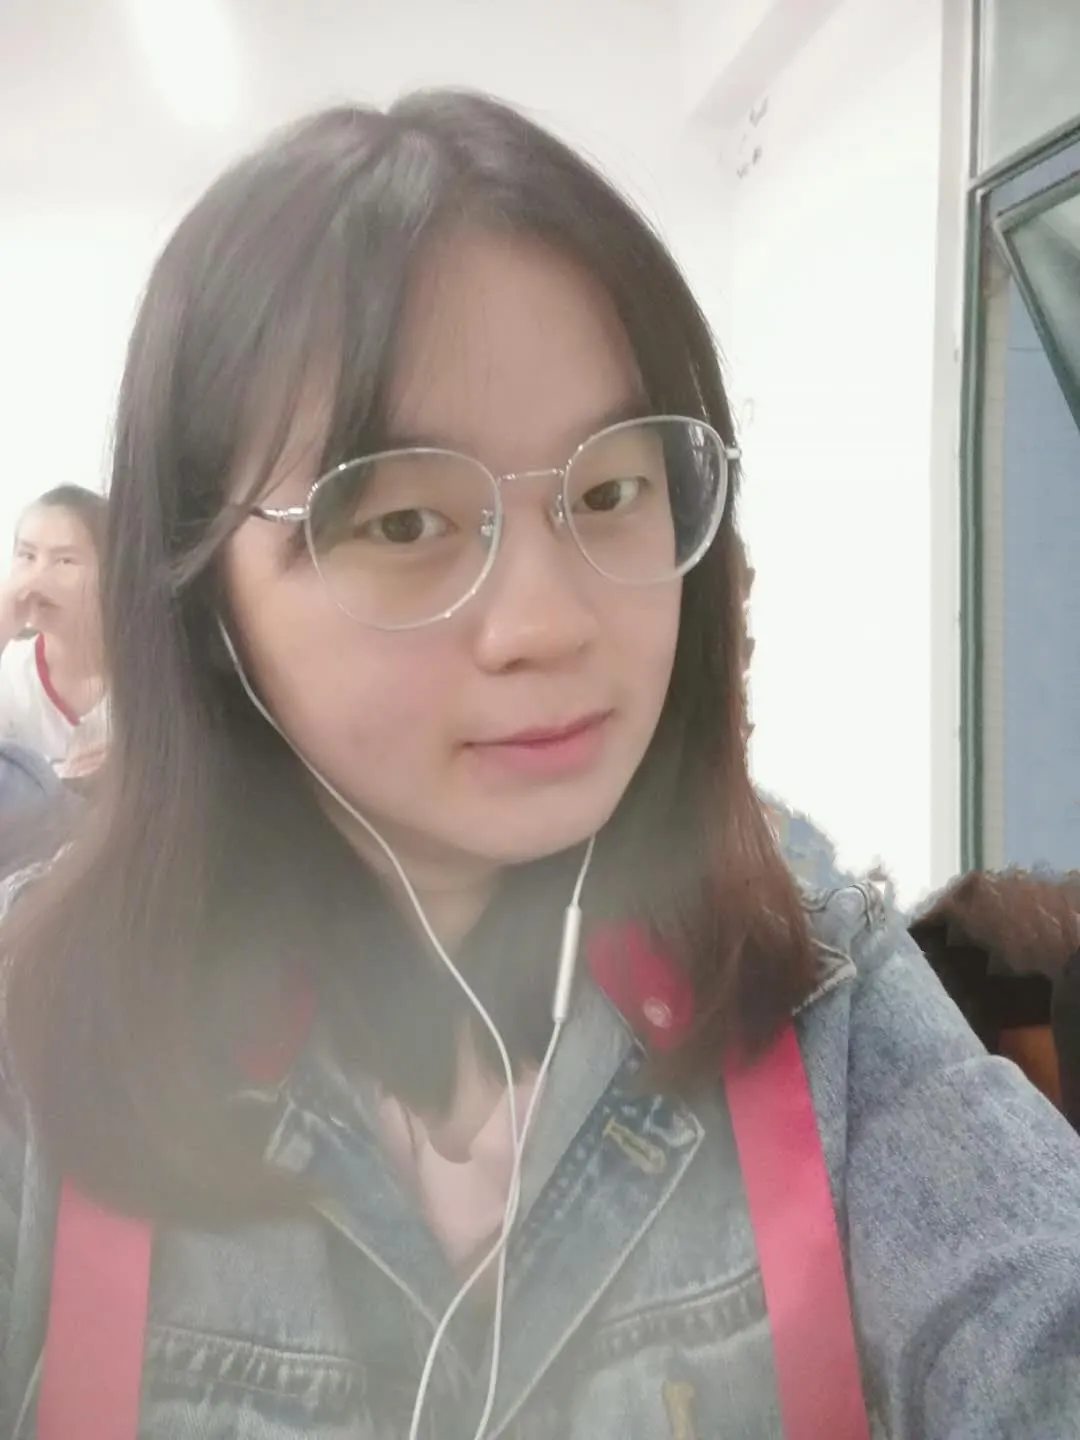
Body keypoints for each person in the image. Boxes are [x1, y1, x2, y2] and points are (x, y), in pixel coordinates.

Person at [2, 93, 1080, 1440]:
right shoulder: (45, 1024)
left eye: (612, 491)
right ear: (209, 600)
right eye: (406, 522)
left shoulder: (812, 981)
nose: (551, 624)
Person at [0, 486, 108, 777]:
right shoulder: (10, 672)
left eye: (64, 561)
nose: (38, 577)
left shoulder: (151, 670)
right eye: (27, 556)